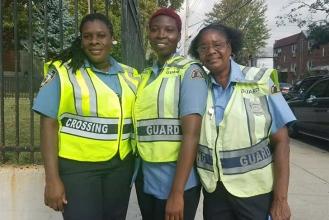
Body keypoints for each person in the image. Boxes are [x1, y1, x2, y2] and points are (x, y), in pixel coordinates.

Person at [33, 13, 140, 220]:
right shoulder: (64, 73)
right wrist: (52, 179)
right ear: (81, 40)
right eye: (87, 36)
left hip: (120, 167)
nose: (94, 41)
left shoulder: (130, 75)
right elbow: (48, 125)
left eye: (101, 35)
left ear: (111, 38)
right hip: (78, 170)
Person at [189, 23, 295, 220]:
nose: (211, 51)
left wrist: (281, 200)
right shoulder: (196, 87)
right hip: (214, 193)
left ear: (230, 47)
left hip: (256, 192)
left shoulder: (261, 81)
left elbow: (282, 141)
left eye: (217, 45)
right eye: (203, 48)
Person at [133, 8, 208, 220]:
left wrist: (176, 193)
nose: (161, 35)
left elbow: (191, 134)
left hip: (178, 179)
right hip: (147, 175)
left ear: (178, 35)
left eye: (169, 30)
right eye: (155, 30)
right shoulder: (147, 75)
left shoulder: (190, 71)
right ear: (149, 34)